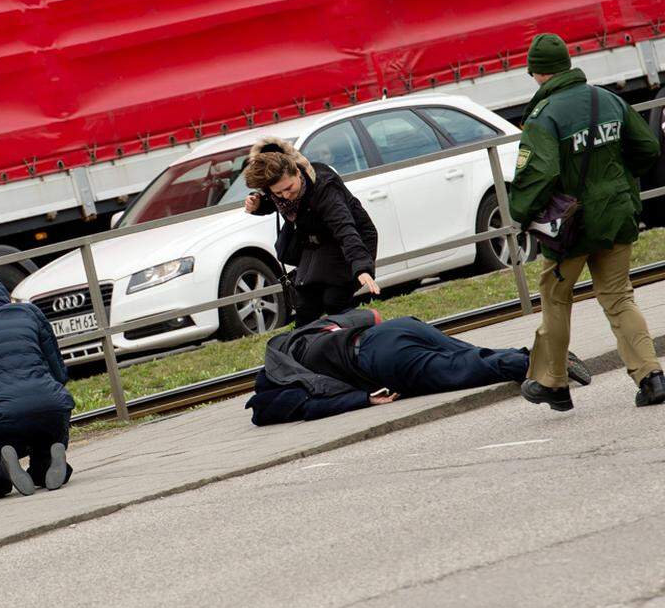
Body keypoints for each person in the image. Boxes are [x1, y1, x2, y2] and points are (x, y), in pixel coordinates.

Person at [510, 33, 665, 411]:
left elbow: (539, 174)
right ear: (567, 65)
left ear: (537, 73)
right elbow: (647, 147)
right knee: (618, 296)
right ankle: (652, 377)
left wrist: (521, 213)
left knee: (556, 298)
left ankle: (554, 383)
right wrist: (619, 183)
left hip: (571, 229)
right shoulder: (607, 99)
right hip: (615, 217)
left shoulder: (543, 117)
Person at [245, 309, 592, 426]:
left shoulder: (282, 380)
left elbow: (266, 411)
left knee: (468, 368)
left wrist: (362, 400)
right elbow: (371, 316)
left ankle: (549, 362)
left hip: (380, 362)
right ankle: (541, 355)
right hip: (397, 327)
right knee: (474, 354)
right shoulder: (298, 338)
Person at [0, 276, 75, 499]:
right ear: (3, 295)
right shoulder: (31, 313)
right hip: (49, 405)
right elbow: (58, 370)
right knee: (45, 426)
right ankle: (48, 461)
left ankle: (1, 470)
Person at [243, 136, 380, 326]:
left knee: (335, 300)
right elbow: (278, 201)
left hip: (349, 240)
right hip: (316, 244)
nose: (286, 196)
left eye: (289, 188)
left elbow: (345, 228)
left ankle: (361, 334)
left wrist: (361, 266)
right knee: (305, 305)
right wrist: (259, 204)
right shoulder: (282, 196)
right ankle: (304, 348)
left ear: (297, 173)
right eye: (278, 193)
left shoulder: (324, 187)